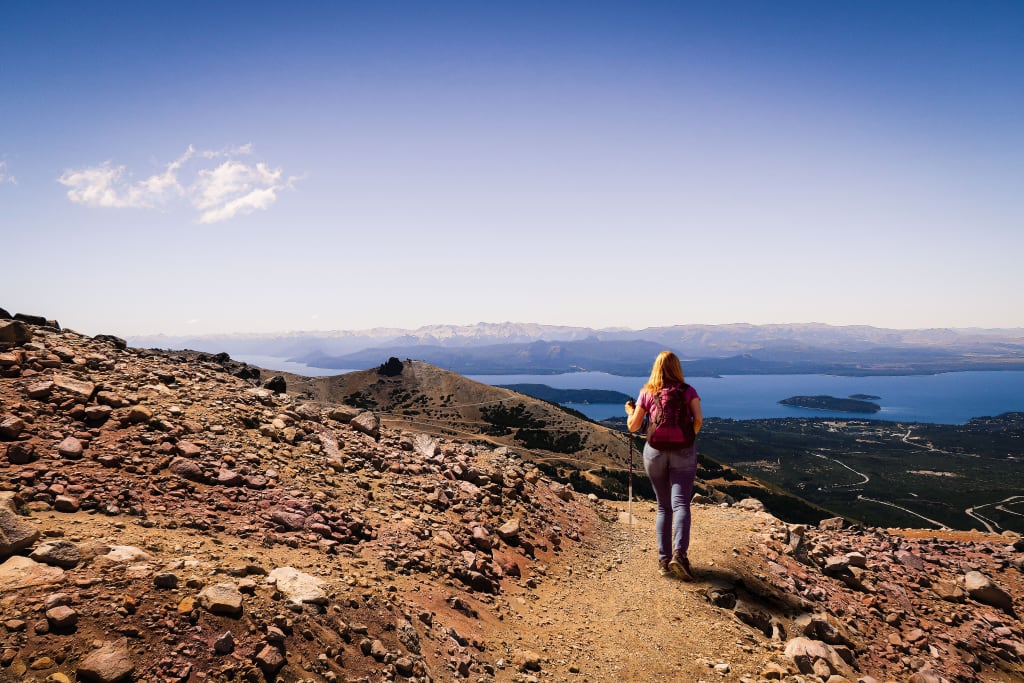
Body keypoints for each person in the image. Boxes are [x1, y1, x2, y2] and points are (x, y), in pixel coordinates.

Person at [624, 350, 702, 579]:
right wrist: (687, 438)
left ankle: (663, 561)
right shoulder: (688, 391)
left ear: (656, 367)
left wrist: (630, 411)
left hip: (655, 453)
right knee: (681, 505)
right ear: (677, 367)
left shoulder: (647, 392)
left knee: (663, 506)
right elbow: (698, 420)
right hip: (684, 453)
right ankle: (680, 555)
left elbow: (633, 426)